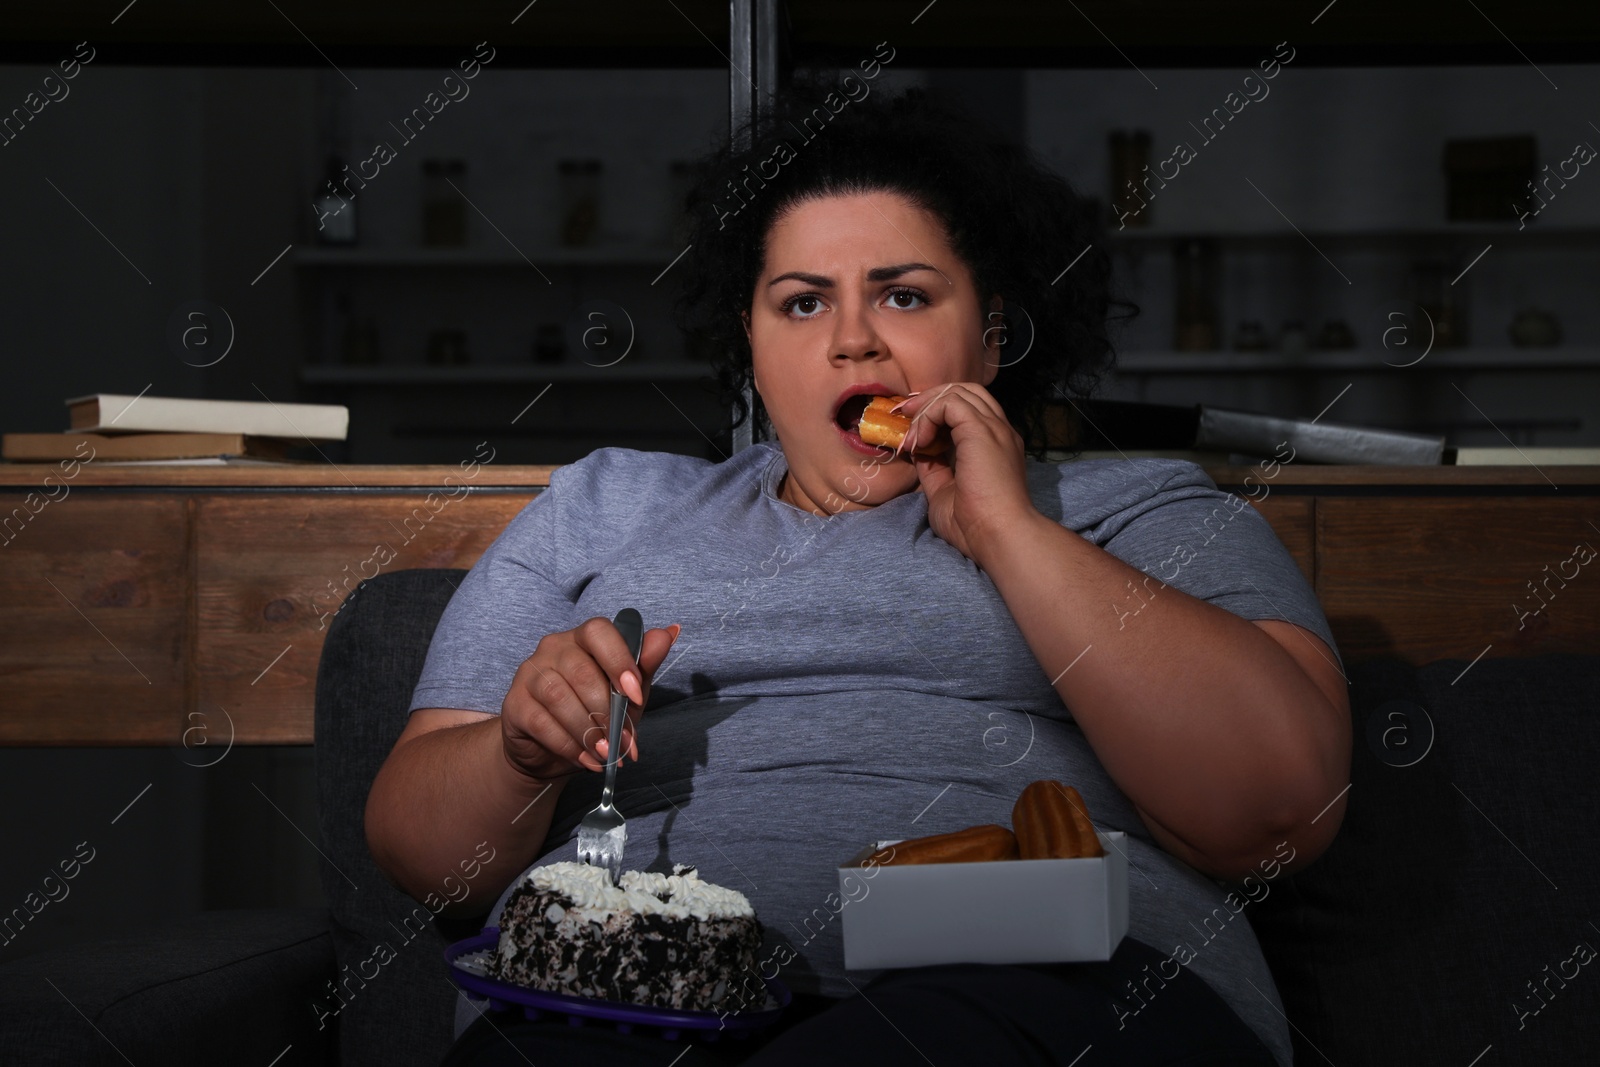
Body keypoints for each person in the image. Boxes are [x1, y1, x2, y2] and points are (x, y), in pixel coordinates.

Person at [365, 79, 1351, 1067]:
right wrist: (519, 752)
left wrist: (1009, 530)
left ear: (993, 332)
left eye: (904, 294)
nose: (852, 338)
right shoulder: (602, 506)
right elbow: (426, 857)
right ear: (749, 344)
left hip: (1044, 988)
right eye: (800, 303)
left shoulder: (1140, 511)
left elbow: (1274, 809)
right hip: (626, 990)